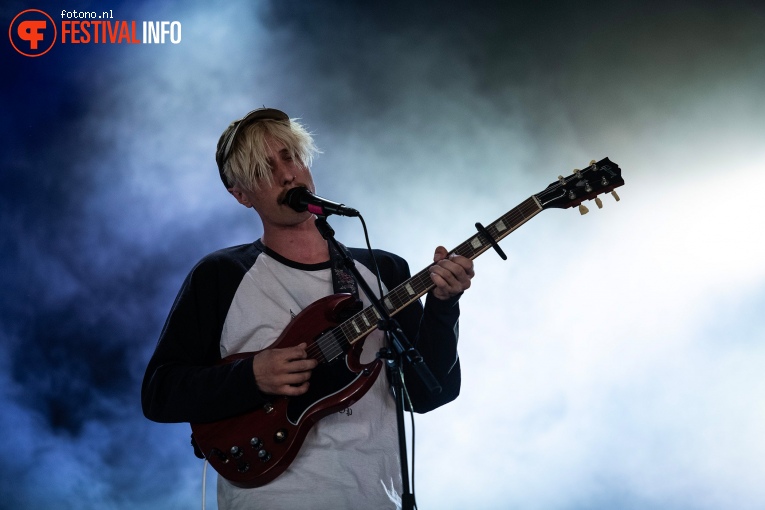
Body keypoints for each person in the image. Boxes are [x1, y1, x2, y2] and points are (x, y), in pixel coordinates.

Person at [141, 108, 474, 509]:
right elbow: (160, 392)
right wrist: (252, 376)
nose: (287, 174)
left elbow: (430, 392)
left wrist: (443, 307)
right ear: (241, 195)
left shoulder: (382, 270)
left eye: (290, 157)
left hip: (374, 498)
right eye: (264, 169)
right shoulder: (222, 275)